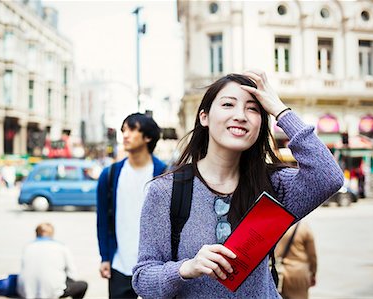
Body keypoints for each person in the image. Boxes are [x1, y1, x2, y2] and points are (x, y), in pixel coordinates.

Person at [132, 71, 344, 298]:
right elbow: (143, 279)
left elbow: (329, 177)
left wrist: (279, 109)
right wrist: (186, 268)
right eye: (228, 104)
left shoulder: (273, 184)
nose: (240, 115)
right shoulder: (166, 190)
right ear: (204, 117)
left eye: (253, 108)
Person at [97, 113, 167, 298]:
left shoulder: (166, 174)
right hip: (120, 264)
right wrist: (105, 257)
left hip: (157, 267)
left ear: (148, 137)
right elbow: (103, 219)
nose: (125, 135)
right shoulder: (110, 174)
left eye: (132, 129)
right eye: (123, 130)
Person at [17, 223, 87, 299]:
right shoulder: (61, 247)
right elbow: (72, 273)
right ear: (52, 233)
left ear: (36, 233)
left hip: (26, 291)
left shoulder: (27, 247)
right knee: (83, 285)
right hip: (52, 291)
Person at [275, 221, 317, 299]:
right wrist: (313, 273)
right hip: (299, 273)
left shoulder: (279, 225)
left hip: (281, 273)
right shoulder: (305, 228)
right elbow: (312, 256)